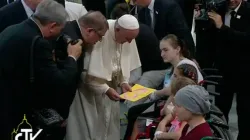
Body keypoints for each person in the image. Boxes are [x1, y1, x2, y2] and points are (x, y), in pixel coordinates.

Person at [0, 0, 83, 139]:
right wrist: (72, 57)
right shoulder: (38, 43)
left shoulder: (12, 29)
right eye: (60, 29)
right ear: (52, 26)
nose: (60, 33)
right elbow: (59, 81)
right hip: (17, 112)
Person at [65, 14, 141, 140]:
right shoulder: (100, 34)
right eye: (127, 38)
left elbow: (121, 63)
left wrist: (123, 82)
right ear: (117, 30)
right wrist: (105, 89)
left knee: (110, 129)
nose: (129, 42)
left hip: (112, 92)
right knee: (90, 129)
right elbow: (85, 72)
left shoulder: (127, 37)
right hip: (89, 93)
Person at [205, 0, 250, 139]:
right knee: (220, 109)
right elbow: (210, 40)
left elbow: (246, 39)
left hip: (245, 70)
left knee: (245, 112)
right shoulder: (218, 9)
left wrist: (222, 27)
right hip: (223, 70)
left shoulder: (248, 11)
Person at [54, 11, 108, 117]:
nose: (100, 40)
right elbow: (67, 78)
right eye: (100, 36)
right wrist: (63, 112)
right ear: (90, 31)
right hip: (56, 103)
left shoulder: (69, 27)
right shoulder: (74, 43)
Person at [130, 65, 199, 140]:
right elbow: (164, 112)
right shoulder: (179, 94)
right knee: (138, 120)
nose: (172, 78)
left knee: (139, 122)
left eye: (175, 76)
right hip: (168, 126)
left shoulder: (186, 111)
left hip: (167, 127)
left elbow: (178, 133)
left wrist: (160, 134)